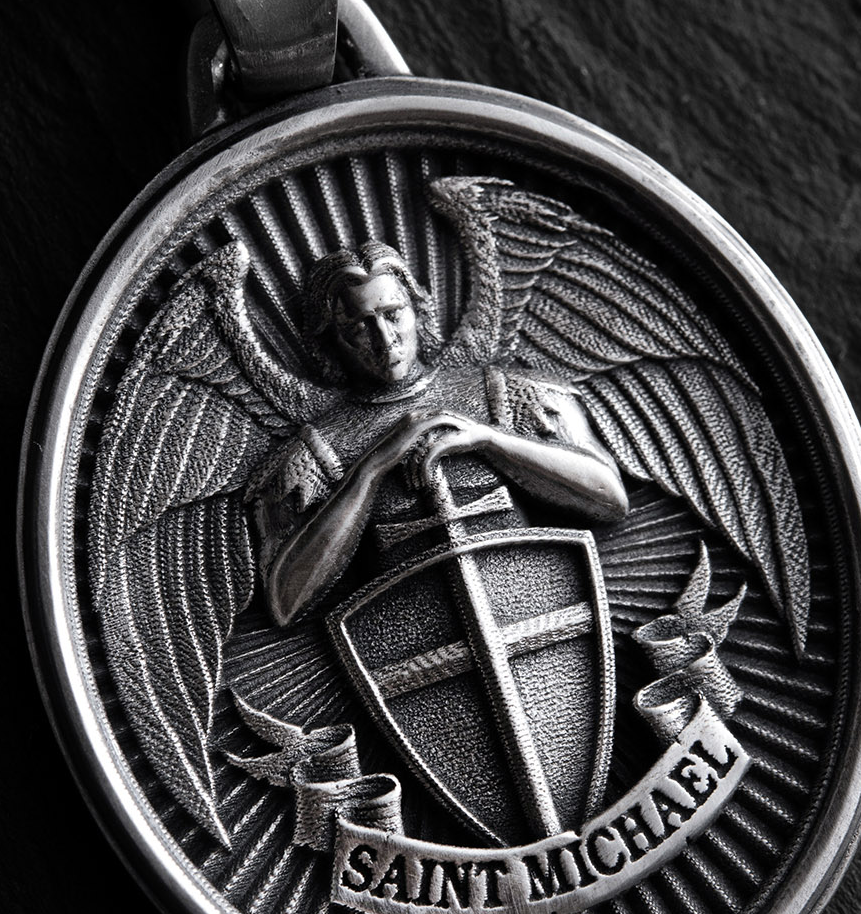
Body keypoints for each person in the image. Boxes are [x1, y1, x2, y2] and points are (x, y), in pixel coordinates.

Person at [255, 239, 626, 629]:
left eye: (393, 314)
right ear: (330, 338)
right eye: (360, 326)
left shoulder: (505, 393)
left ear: (417, 310)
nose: (385, 338)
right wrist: (371, 469)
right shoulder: (317, 451)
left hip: (543, 616)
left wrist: (490, 439)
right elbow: (284, 602)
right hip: (413, 640)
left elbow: (611, 499)